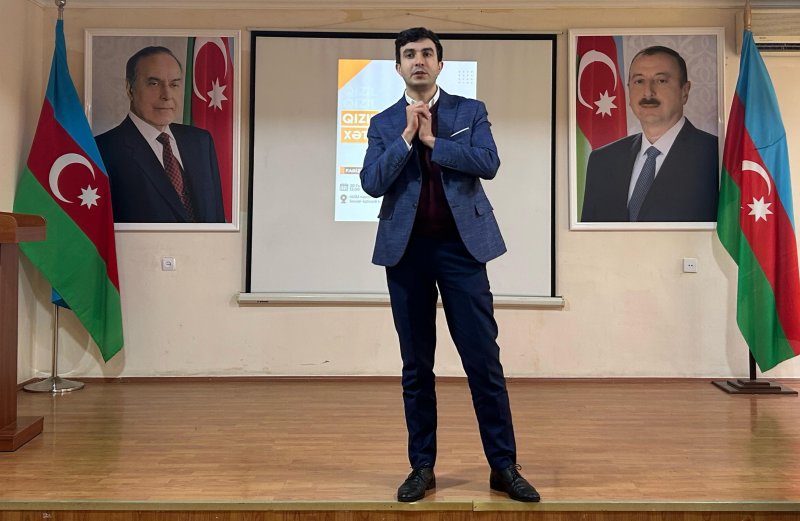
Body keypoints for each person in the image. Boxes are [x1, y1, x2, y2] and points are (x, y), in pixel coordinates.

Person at [360, 27, 540, 503]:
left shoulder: (468, 111)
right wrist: (406, 138)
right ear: (398, 67)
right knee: (416, 367)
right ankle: (422, 467)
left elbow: (488, 163)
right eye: (409, 54)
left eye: (427, 53)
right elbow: (371, 184)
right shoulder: (383, 123)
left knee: (483, 361)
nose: (418, 60)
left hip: (462, 251)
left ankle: (503, 466)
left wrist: (433, 140)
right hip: (406, 255)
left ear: (440, 64)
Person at [581, 45, 719, 222]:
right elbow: (588, 235)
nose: (648, 92)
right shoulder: (602, 160)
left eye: (661, 80)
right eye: (639, 81)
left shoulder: (716, 156)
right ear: (629, 90)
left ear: (684, 91)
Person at [96, 46, 225, 223]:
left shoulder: (201, 142)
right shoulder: (103, 150)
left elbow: (217, 219)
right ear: (130, 88)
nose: (167, 95)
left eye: (174, 84)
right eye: (154, 84)